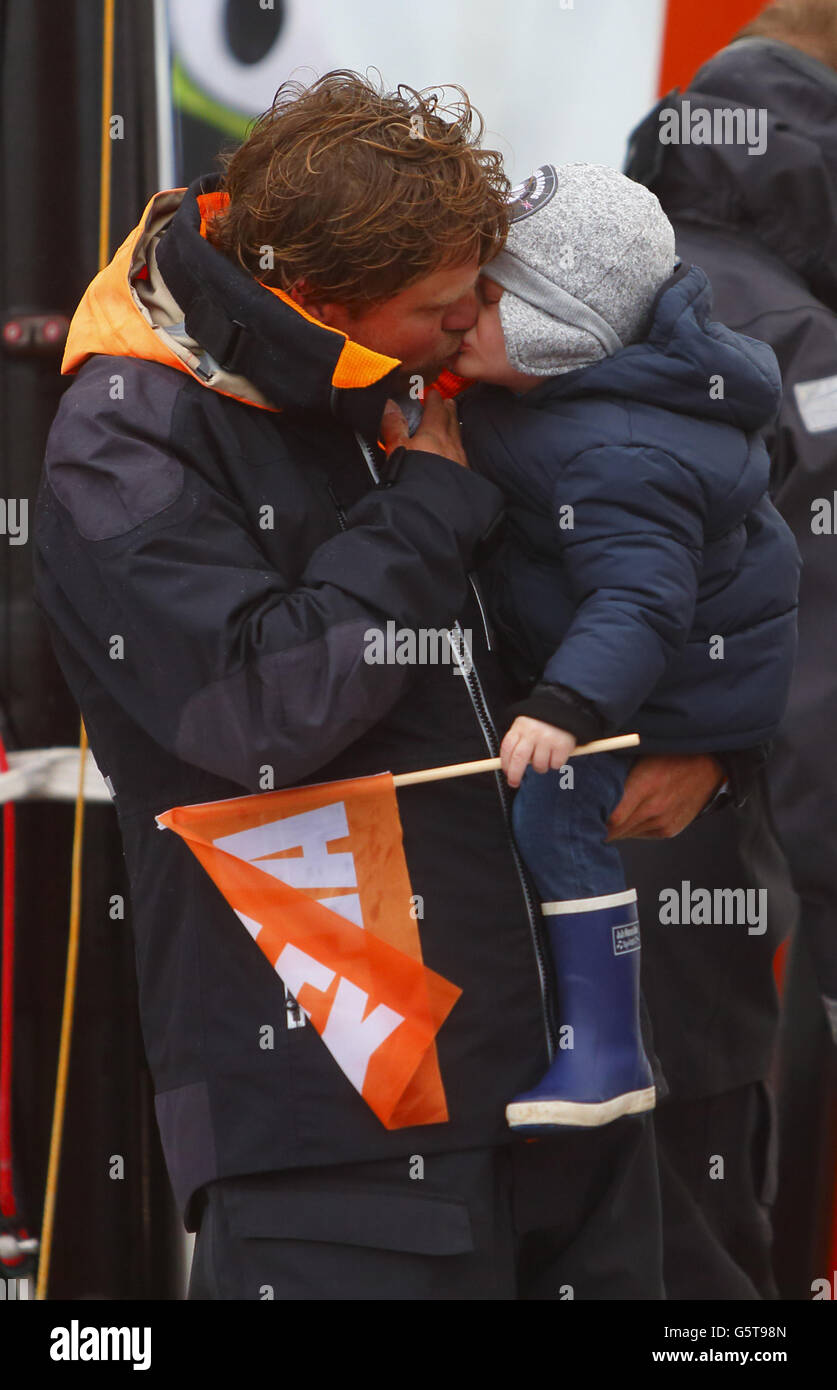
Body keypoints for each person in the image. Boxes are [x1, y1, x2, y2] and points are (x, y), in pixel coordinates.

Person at [33, 71, 713, 1301]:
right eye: (444, 309)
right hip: (340, 1088)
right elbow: (252, 715)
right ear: (322, 303)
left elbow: (665, 544)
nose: (475, 328)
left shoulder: (396, 376)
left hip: (571, 1066)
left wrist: (714, 740)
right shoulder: (123, 434)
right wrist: (429, 508)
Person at [448, 162, 799, 1136]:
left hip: (657, 702)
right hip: (622, 684)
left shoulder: (612, 453)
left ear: (560, 332)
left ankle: (601, 1048)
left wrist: (568, 705)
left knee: (556, 825)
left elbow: (639, 600)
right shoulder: (559, 406)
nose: (454, 314)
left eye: (485, 297)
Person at [622, 0, 837, 1298]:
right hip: (703, 822)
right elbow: (822, 630)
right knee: (698, 1188)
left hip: (510, 809)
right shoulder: (804, 341)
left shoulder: (580, 279)